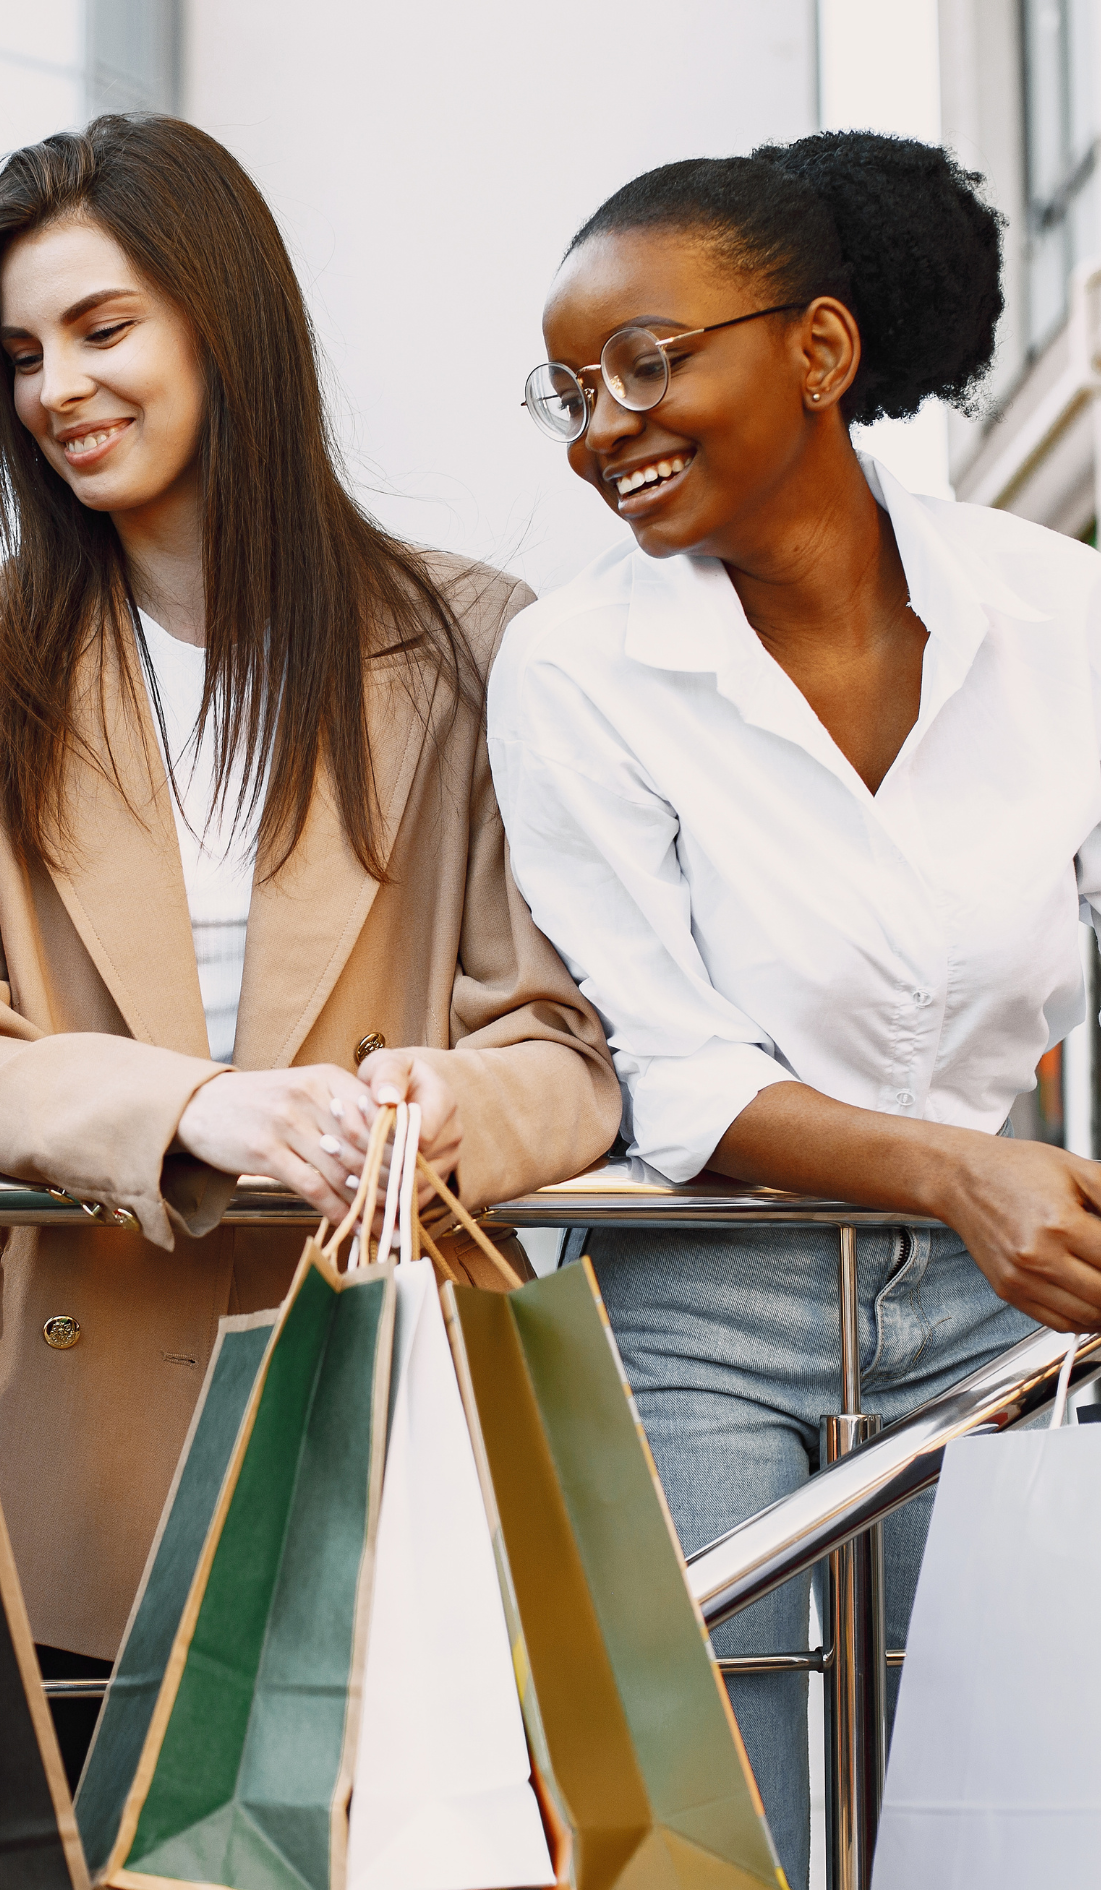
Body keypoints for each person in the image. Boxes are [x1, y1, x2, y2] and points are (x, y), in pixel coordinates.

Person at [0, 112, 619, 1756]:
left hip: (366, 1399)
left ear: (226, 320)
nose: (56, 388)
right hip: (39, 1434)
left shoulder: (469, 639)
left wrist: (437, 1106)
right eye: (20, 352)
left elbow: (560, 1038)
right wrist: (194, 1110)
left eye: (104, 328)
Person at [489, 130, 1101, 1887]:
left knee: (1002, 1818)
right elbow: (665, 1063)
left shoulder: (1059, 616)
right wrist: (958, 1172)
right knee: (706, 1847)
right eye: (568, 391)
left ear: (818, 352)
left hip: (1005, 1307)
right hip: (694, 1305)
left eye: (643, 362)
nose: (602, 425)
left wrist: (1010, 1194)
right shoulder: (576, 668)